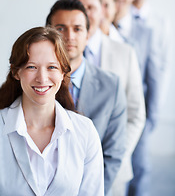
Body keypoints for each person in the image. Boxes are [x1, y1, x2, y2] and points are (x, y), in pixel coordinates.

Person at [0, 26, 104, 196]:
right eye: (31, 67)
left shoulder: (85, 131)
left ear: (63, 72)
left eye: (52, 67)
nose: (42, 78)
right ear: (15, 72)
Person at [65, 0, 145, 196]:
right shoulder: (53, 54)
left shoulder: (125, 53)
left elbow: (136, 114)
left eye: (90, 7)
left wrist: (114, 157)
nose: (84, 12)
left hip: (114, 172)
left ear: (102, 10)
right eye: (78, 5)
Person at [46, 0, 127, 195]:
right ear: (47, 33)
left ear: (88, 34)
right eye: (60, 28)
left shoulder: (111, 86)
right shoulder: (34, 83)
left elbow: (113, 154)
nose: (69, 36)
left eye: (77, 29)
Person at [108, 0, 164, 196]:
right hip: (110, 115)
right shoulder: (99, 27)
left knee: (140, 168)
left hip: (136, 112)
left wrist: (152, 117)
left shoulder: (145, 31)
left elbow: (154, 76)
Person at [131, 0, 172, 100]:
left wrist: (158, 97)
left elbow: (164, 62)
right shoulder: (120, 18)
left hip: (149, 91)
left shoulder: (162, 21)